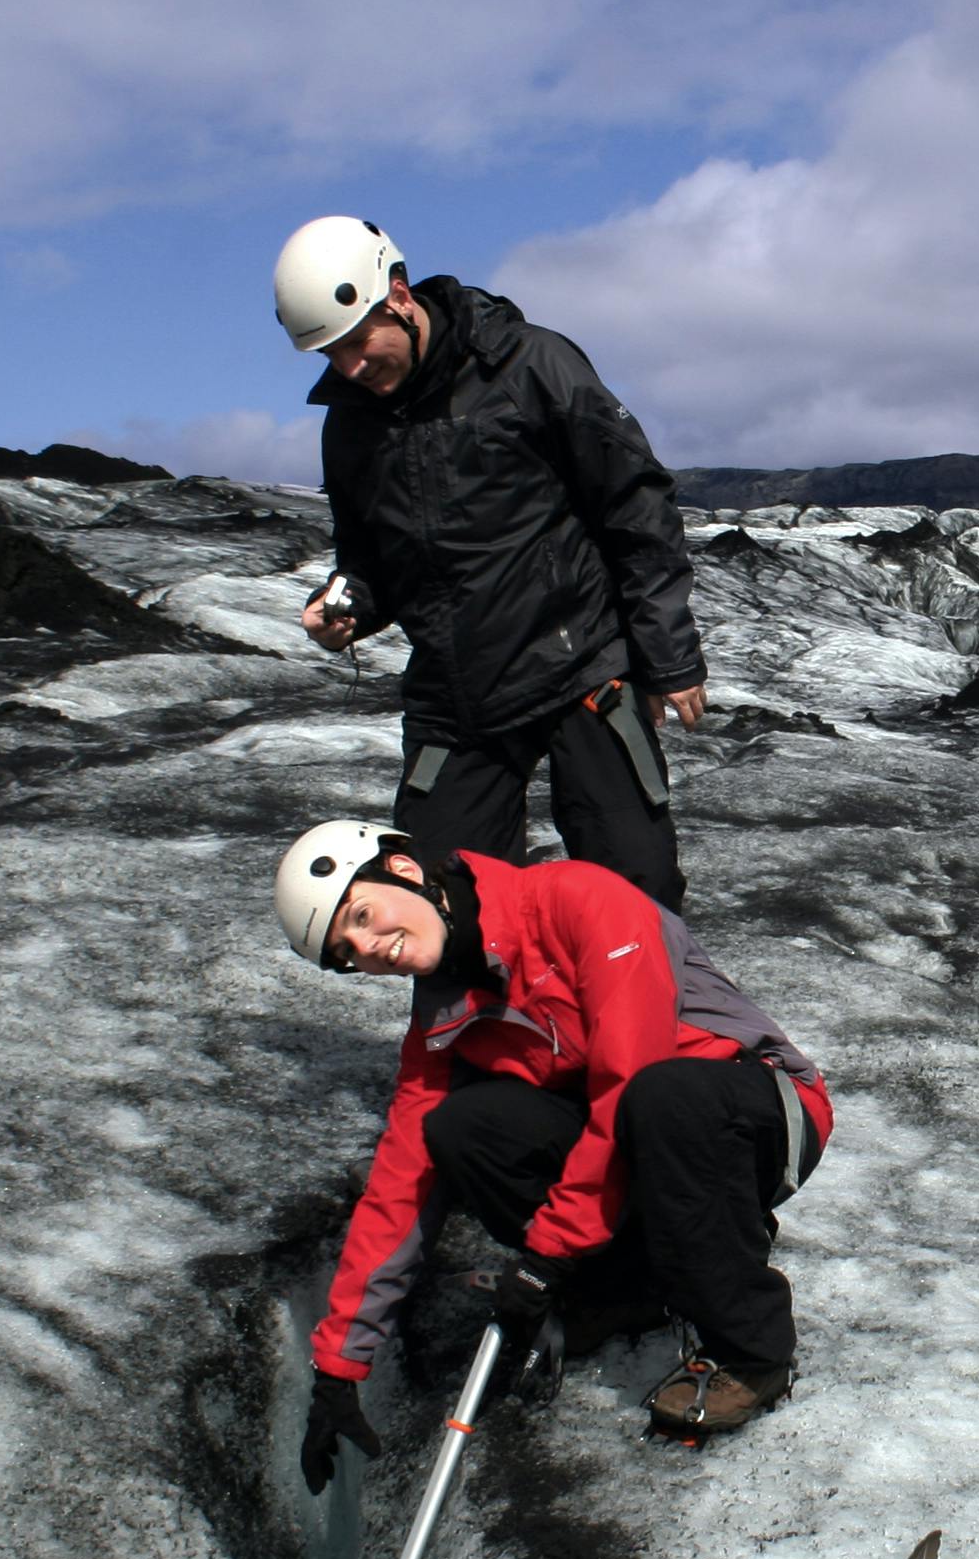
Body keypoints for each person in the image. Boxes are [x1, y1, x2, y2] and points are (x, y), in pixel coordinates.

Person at [273, 819, 829, 1472]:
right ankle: (627, 1290)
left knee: (659, 1095)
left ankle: (752, 1350)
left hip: (761, 1114)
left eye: (363, 916)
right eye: (350, 952)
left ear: (401, 870)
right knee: (458, 1127)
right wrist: (340, 1364)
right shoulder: (447, 1012)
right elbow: (404, 1179)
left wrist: (545, 1256)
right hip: (645, 1146)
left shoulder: (578, 900)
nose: (373, 947)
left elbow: (626, 1083)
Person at [274, 216, 707, 910]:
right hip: (455, 700)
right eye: (330, 354)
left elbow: (637, 506)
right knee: (445, 909)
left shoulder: (529, 365)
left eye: (358, 342)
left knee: (637, 892)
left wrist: (670, 658)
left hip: (580, 671)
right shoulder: (349, 425)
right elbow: (366, 556)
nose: (349, 367)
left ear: (399, 294)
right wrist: (347, 603)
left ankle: (645, 1019)